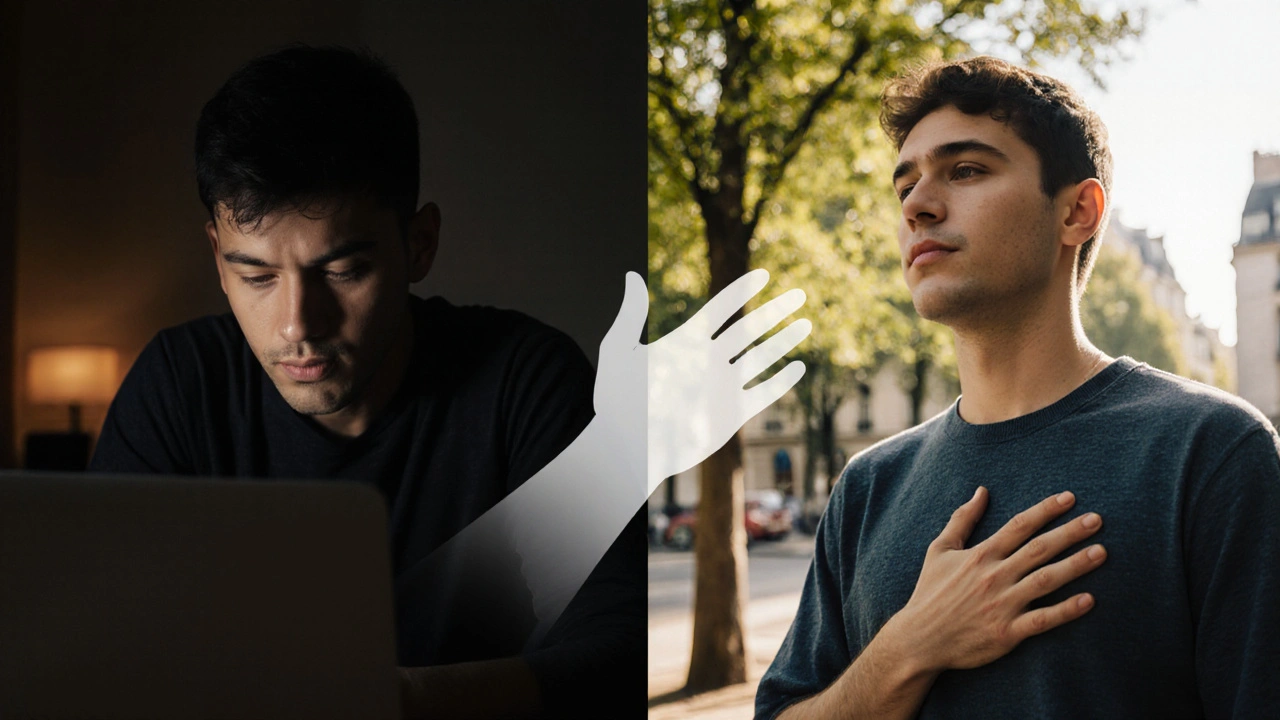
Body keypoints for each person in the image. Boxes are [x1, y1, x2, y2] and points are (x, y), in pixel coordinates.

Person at [89, 45, 644, 719]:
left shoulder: (525, 381)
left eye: (344, 271)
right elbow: (103, 648)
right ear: (216, 253)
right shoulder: (177, 387)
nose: (297, 324)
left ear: (419, 244)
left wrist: (402, 704)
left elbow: (619, 654)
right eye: (257, 277)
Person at [755, 56, 1280, 719]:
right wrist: (908, 649)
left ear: (1077, 212)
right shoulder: (867, 486)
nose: (917, 205)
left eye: (966, 170)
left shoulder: (1209, 452)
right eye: (905, 185)